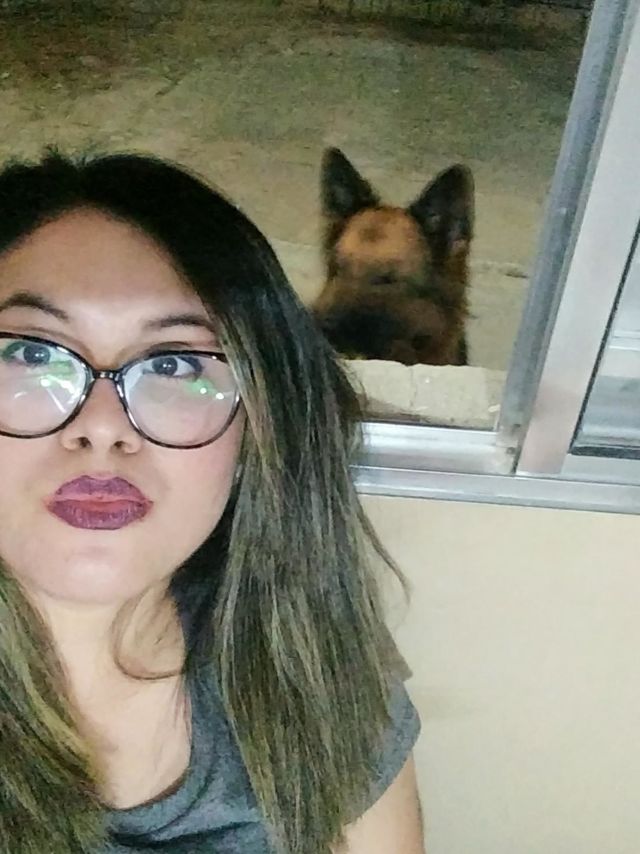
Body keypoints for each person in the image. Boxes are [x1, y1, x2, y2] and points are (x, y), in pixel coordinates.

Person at [0, 149, 424, 854]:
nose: (101, 427)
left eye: (173, 364)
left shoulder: (312, 662)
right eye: (31, 354)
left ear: (261, 425)